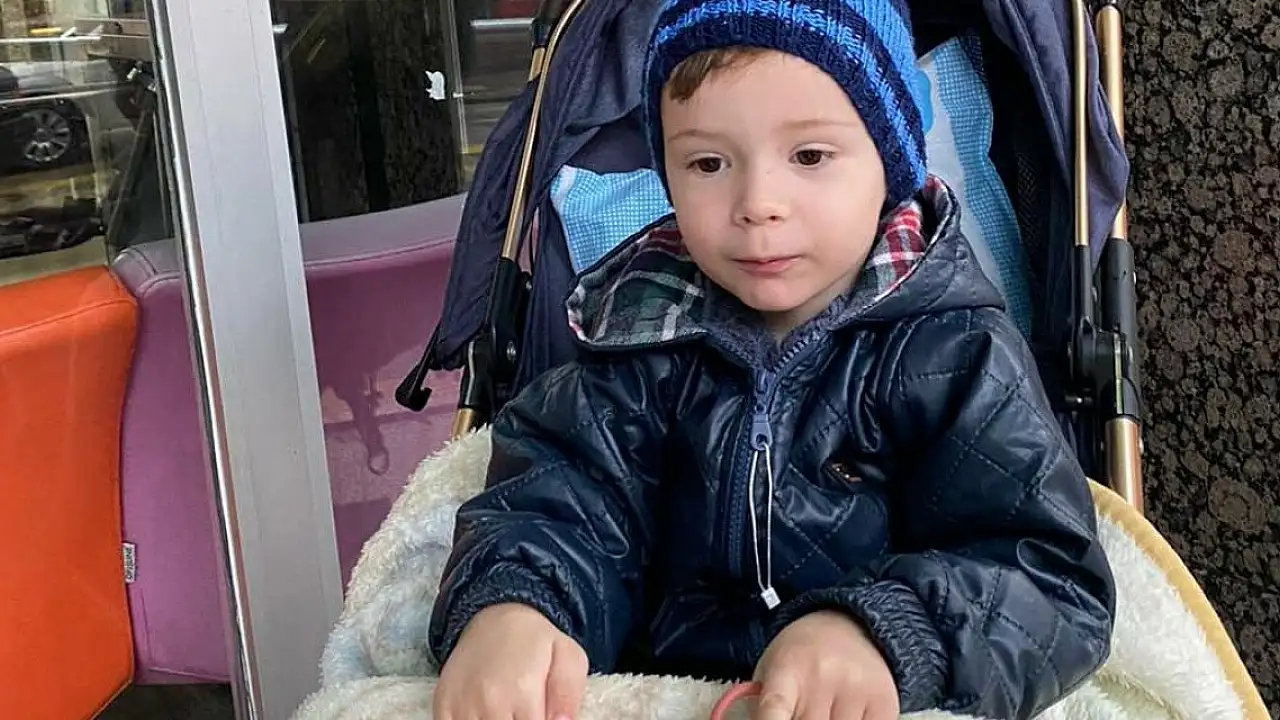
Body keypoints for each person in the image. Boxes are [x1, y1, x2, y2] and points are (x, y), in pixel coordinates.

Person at [427, 0, 1116, 718]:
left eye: (809, 156)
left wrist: (887, 634)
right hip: (660, 694)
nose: (757, 203)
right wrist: (519, 605)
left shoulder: (956, 350)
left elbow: (1047, 575)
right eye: (708, 163)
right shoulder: (634, 338)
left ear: (890, 166)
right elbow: (562, 501)